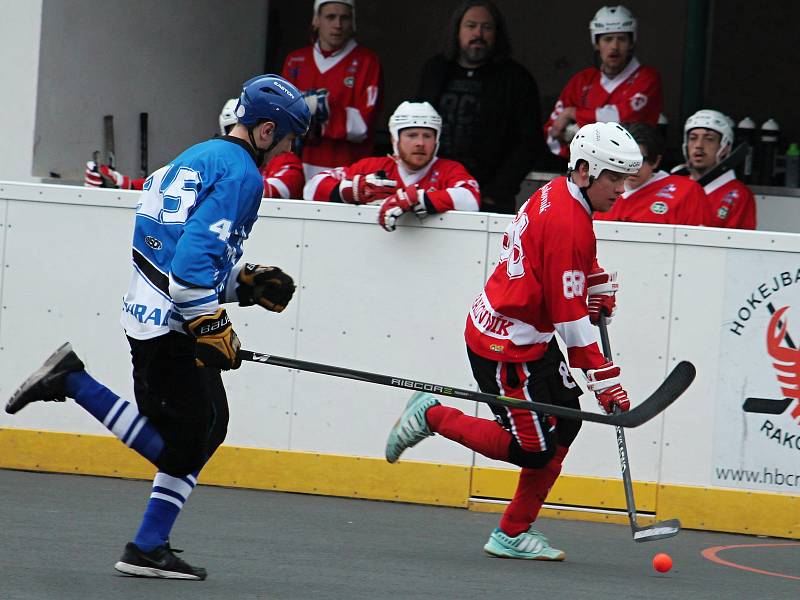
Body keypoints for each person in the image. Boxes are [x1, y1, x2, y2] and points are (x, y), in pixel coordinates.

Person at [7, 74, 311, 580]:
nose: (287, 148)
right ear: (264, 130)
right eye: (286, 138)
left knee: (206, 427)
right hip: (172, 325)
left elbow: (173, 253)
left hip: (154, 314)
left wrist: (242, 285)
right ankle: (72, 381)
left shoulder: (196, 157)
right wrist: (209, 323)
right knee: (184, 443)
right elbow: (191, 267)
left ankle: (148, 545)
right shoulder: (241, 175)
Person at [384, 122, 642, 560]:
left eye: (624, 178)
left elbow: (570, 264)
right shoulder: (568, 220)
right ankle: (435, 415)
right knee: (533, 450)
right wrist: (604, 378)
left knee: (568, 421)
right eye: (613, 178)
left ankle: (513, 532)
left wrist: (595, 283)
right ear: (583, 170)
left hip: (527, 336)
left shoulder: (562, 195)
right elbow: (569, 317)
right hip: (506, 348)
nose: (621, 189)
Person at [416, 0, 547, 214]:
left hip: (490, 199)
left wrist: (496, 192)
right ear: (457, 30)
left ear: (497, 34)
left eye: (486, 27)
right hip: (433, 191)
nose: (478, 33)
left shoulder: (516, 78)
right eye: (471, 26)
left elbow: (529, 142)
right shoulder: (435, 71)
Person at [304, 101, 480, 230]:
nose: (420, 143)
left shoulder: (449, 169)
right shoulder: (372, 166)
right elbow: (311, 188)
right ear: (394, 139)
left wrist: (417, 199)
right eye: (412, 135)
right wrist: (353, 190)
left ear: (437, 140)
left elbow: (471, 199)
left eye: (427, 136)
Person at [85, 98, 305, 199]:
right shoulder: (212, 156)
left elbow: (276, 190)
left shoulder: (286, 158)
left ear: (265, 131)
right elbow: (172, 182)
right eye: (233, 129)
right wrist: (123, 184)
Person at [544, 5, 663, 159]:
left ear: (632, 43)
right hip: (580, 169)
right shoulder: (582, 80)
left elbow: (624, 119)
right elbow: (552, 130)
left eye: (621, 39)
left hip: (631, 173)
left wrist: (573, 114)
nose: (614, 46)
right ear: (596, 44)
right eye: (607, 39)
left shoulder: (647, 78)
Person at [282, 0, 383, 179]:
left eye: (344, 18)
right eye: (330, 17)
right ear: (316, 20)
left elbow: (363, 126)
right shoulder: (295, 60)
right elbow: (281, 118)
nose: (337, 25)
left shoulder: (368, 62)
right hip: (298, 167)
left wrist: (320, 109)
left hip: (348, 170)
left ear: (353, 22)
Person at [594, 122, 707, 225]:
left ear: (656, 161)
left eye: (638, 161)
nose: (631, 168)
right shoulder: (599, 191)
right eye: (624, 159)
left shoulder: (686, 191)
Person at [674, 109, 756, 229]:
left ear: (725, 147)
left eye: (709, 139)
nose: (699, 145)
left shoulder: (740, 195)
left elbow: (739, 244)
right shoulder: (675, 187)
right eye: (693, 138)